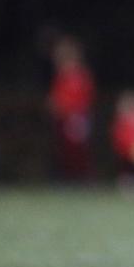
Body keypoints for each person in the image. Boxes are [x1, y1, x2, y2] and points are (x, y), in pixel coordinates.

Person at [48, 36, 96, 181]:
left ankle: (82, 179)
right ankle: (70, 177)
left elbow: (83, 98)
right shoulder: (62, 76)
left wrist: (68, 110)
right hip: (63, 119)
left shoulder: (78, 76)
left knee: (77, 151)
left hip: (76, 118)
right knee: (66, 150)